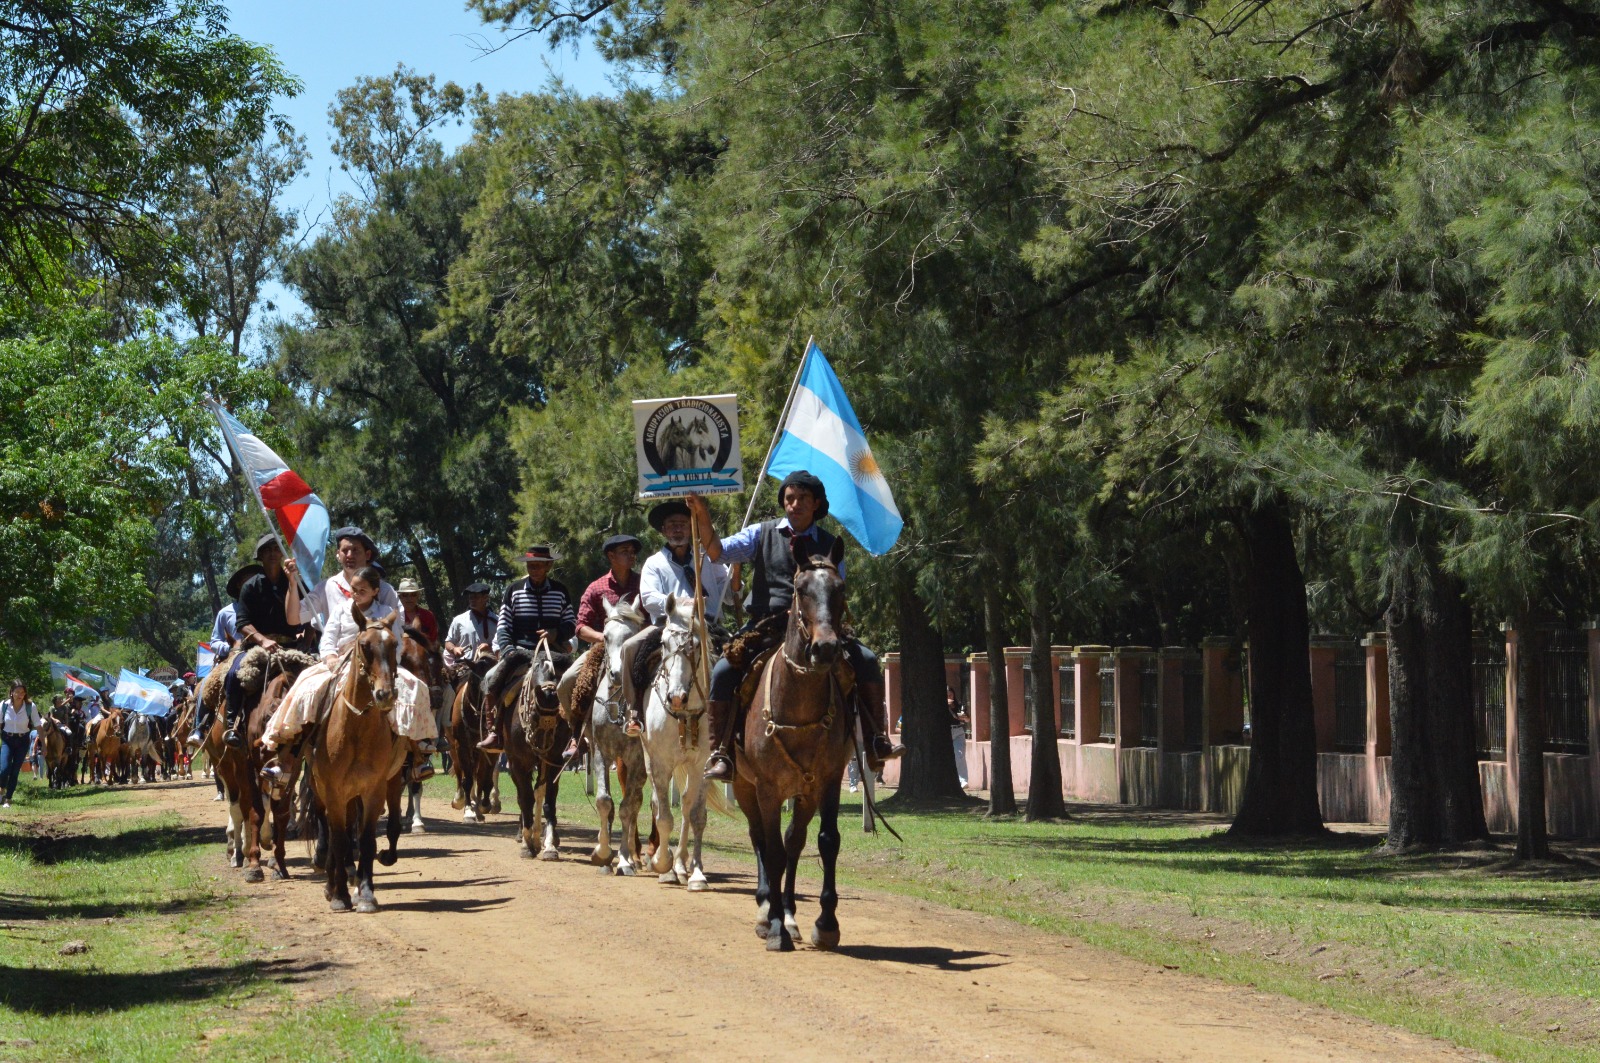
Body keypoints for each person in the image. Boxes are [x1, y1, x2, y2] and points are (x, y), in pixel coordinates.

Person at [687, 471, 903, 782]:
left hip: (819, 628)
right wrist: (702, 514)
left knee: (867, 660)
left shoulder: (830, 545)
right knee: (722, 671)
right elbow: (717, 552)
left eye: (802, 498)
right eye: (789, 498)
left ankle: (875, 741)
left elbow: (836, 592)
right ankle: (721, 752)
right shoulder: (761, 533)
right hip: (765, 626)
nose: (795, 504)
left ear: (816, 504)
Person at [261, 565, 438, 785]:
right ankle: (287, 753)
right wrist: (329, 657)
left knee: (416, 687)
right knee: (305, 686)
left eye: (362, 590)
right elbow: (328, 638)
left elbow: (398, 642)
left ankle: (418, 750)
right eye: (354, 589)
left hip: (380, 663)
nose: (356, 594)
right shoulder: (342, 610)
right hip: (341, 661)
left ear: (375, 591)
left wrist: (388, 664)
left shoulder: (386, 611)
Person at [612, 501, 730, 739]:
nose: (678, 529)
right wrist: (681, 602)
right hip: (668, 625)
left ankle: (737, 715)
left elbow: (726, 593)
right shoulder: (654, 563)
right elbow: (648, 598)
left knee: (739, 654)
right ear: (663, 530)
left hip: (708, 625)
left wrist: (734, 578)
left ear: (692, 528)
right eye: (672, 525)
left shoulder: (709, 558)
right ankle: (635, 712)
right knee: (629, 648)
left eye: (683, 524)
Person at [479, 545, 576, 752]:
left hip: (553, 652)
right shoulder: (513, 590)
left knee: (578, 679)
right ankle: (494, 731)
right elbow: (503, 627)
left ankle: (578, 734)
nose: (534, 569)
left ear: (548, 566)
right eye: (531, 566)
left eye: (539, 565)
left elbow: (570, 624)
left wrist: (555, 633)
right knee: (490, 678)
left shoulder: (560, 591)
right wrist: (508, 650)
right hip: (520, 652)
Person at [222, 535, 302, 747]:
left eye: (276, 549)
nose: (273, 553)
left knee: (317, 676)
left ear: (282, 554)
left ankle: (316, 730)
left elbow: (308, 616)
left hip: (291, 648)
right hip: (256, 648)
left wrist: (306, 639)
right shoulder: (250, 587)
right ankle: (232, 726)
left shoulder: (294, 582)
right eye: (267, 550)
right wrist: (262, 640)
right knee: (233, 673)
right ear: (260, 556)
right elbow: (242, 623)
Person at [187, 560, 261, 749]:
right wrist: (229, 649)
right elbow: (215, 641)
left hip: (261, 653)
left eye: (254, 579)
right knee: (206, 684)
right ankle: (199, 728)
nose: (251, 584)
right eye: (246, 581)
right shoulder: (225, 613)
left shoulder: (265, 607)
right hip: (232, 656)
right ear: (239, 586)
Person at [302, 526, 404, 643]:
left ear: (367, 555)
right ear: (338, 554)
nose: (349, 555)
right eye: (345, 550)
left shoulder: (385, 591)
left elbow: (397, 630)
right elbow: (294, 618)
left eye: (355, 550)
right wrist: (292, 582)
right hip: (336, 653)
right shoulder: (325, 588)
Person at [1, 681, 42, 807]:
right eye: (17, 692)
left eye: (22, 692)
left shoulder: (30, 706)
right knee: (4, 768)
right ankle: (1, 789)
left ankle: (8, 799)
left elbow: (38, 726)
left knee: (14, 771)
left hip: (22, 741)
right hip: (7, 740)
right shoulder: (4, 705)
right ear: (11, 692)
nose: (20, 695)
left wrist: (44, 745)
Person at [443, 581, 496, 677]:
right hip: (465, 667)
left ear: (486, 598)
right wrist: (454, 649)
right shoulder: (459, 620)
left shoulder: (497, 621)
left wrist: (490, 648)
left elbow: (503, 643)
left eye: (476, 597)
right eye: (470, 597)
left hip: (490, 667)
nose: (472, 600)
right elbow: (448, 642)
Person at [397, 578, 439, 645]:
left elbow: (433, 640)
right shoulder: (395, 616)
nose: (409, 598)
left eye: (413, 594)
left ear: (418, 596)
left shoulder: (428, 616)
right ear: (400, 596)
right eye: (405, 595)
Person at [947, 684, 970, 789]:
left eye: (951, 695)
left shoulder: (959, 705)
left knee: (959, 755)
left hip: (958, 731)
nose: (949, 697)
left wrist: (963, 717)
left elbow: (967, 719)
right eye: (947, 695)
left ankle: (963, 780)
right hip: (946, 732)